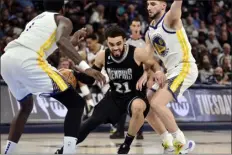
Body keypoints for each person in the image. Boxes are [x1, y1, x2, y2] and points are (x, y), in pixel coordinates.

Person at [1, 0, 105, 154]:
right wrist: (86, 68)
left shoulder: (36, 20)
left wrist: (73, 40)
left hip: (6, 60)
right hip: (29, 60)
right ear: (63, 9)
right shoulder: (63, 19)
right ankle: (69, 152)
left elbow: (56, 43)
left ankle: (8, 152)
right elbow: (61, 41)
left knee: (26, 106)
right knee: (76, 103)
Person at [55, 25, 164, 154]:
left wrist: (157, 72)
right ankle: (64, 149)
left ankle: (126, 145)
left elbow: (154, 63)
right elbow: (90, 79)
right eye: (112, 44)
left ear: (124, 40)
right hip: (114, 96)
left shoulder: (137, 53)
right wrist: (74, 74)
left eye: (118, 43)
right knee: (90, 122)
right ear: (107, 42)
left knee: (138, 107)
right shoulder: (102, 56)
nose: (115, 47)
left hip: (135, 95)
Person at [137, 0, 198, 154]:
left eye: (153, 3)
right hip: (170, 71)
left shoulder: (171, 18)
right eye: (148, 4)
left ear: (163, 5)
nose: (149, 7)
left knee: (157, 103)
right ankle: (167, 142)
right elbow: (148, 58)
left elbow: (178, 3)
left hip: (185, 66)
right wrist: (147, 73)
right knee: (145, 106)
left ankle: (181, 143)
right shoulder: (149, 32)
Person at [110, 18, 146, 140]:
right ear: (130, 27)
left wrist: (146, 76)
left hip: (139, 79)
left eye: (138, 25)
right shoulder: (126, 43)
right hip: (126, 78)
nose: (136, 27)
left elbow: (149, 62)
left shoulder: (145, 44)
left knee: (139, 106)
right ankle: (120, 131)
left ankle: (139, 132)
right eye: (134, 25)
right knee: (122, 106)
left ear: (140, 28)